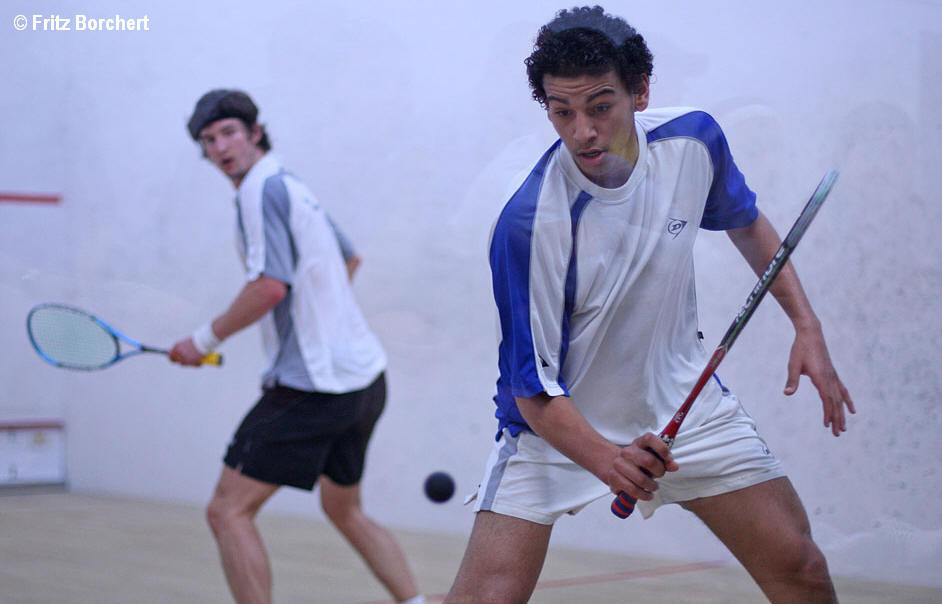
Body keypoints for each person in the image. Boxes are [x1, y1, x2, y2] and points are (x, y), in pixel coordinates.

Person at [446, 7, 855, 603]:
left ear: (639, 92)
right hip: (556, 428)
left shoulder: (693, 141)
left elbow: (744, 222)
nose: (582, 131)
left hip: (684, 405)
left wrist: (805, 324)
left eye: (600, 107)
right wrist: (608, 460)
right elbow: (531, 390)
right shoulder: (529, 223)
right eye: (562, 112)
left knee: (802, 567)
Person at [170, 89, 424, 604]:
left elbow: (269, 287)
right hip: (365, 379)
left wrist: (201, 341)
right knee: (344, 508)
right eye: (209, 140)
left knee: (227, 510)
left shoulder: (258, 191)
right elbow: (349, 260)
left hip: (315, 388)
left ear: (255, 132)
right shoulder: (290, 185)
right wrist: (325, 326)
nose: (220, 147)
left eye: (229, 133)